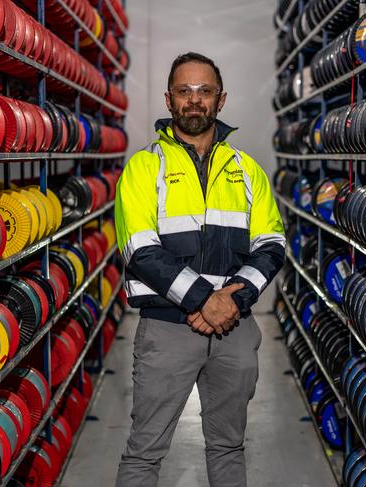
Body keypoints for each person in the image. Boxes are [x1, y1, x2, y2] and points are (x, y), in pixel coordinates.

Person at [113, 52, 285, 487]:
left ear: (220, 100)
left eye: (204, 91)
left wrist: (232, 300)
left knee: (229, 448)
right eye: (184, 91)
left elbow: (272, 245)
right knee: (144, 452)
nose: (195, 100)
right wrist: (205, 301)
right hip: (168, 331)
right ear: (169, 100)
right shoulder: (144, 167)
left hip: (235, 330)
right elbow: (139, 248)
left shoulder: (247, 170)